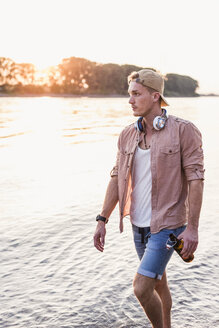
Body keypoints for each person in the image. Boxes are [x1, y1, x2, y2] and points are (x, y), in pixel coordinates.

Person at [93, 69, 204, 328]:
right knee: (158, 283)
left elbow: (196, 179)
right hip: (138, 225)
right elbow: (116, 176)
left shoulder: (184, 130)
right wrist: (102, 219)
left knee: (142, 288)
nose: (130, 100)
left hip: (168, 225)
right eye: (129, 94)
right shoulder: (127, 134)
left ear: (155, 96)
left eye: (136, 94)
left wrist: (193, 229)